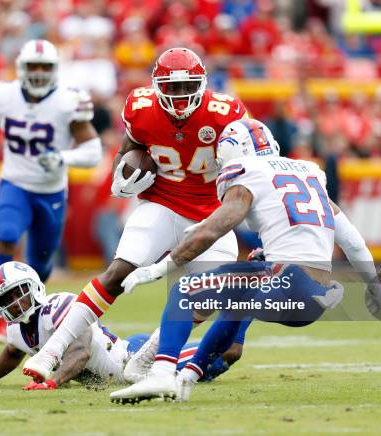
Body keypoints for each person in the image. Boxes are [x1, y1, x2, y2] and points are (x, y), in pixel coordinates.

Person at [110, 118, 381, 403]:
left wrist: (158, 268)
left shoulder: (248, 171)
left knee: (185, 290)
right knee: (241, 296)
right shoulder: (309, 172)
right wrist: (374, 283)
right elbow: (352, 241)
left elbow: (217, 228)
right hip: (312, 298)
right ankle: (192, 369)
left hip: (287, 282)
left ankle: (161, 374)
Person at [22, 47, 250, 382]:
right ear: (157, 86)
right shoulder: (141, 108)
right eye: (171, 88)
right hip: (162, 205)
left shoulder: (225, 112)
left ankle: (144, 359)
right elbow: (129, 150)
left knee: (201, 298)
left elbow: (247, 168)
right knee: (117, 272)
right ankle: (52, 351)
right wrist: (121, 177)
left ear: (202, 84)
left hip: (211, 215)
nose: (180, 96)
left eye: (187, 87)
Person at [0, 39, 102, 345]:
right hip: (14, 183)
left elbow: (93, 150)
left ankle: (30, 320)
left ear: (55, 70)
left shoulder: (68, 100)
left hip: (50, 192)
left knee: (41, 263)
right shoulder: (4, 95)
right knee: (7, 236)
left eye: (45, 67)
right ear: (21, 68)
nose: (38, 72)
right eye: (32, 66)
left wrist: (64, 157)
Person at [0, 261, 243, 389]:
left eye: (19, 293)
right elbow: (12, 352)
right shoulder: (16, 329)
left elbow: (79, 352)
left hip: (135, 357)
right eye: (8, 299)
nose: (16, 303)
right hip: (122, 363)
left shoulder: (58, 307)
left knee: (230, 350)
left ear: (35, 287)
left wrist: (54, 382)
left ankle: (242, 296)